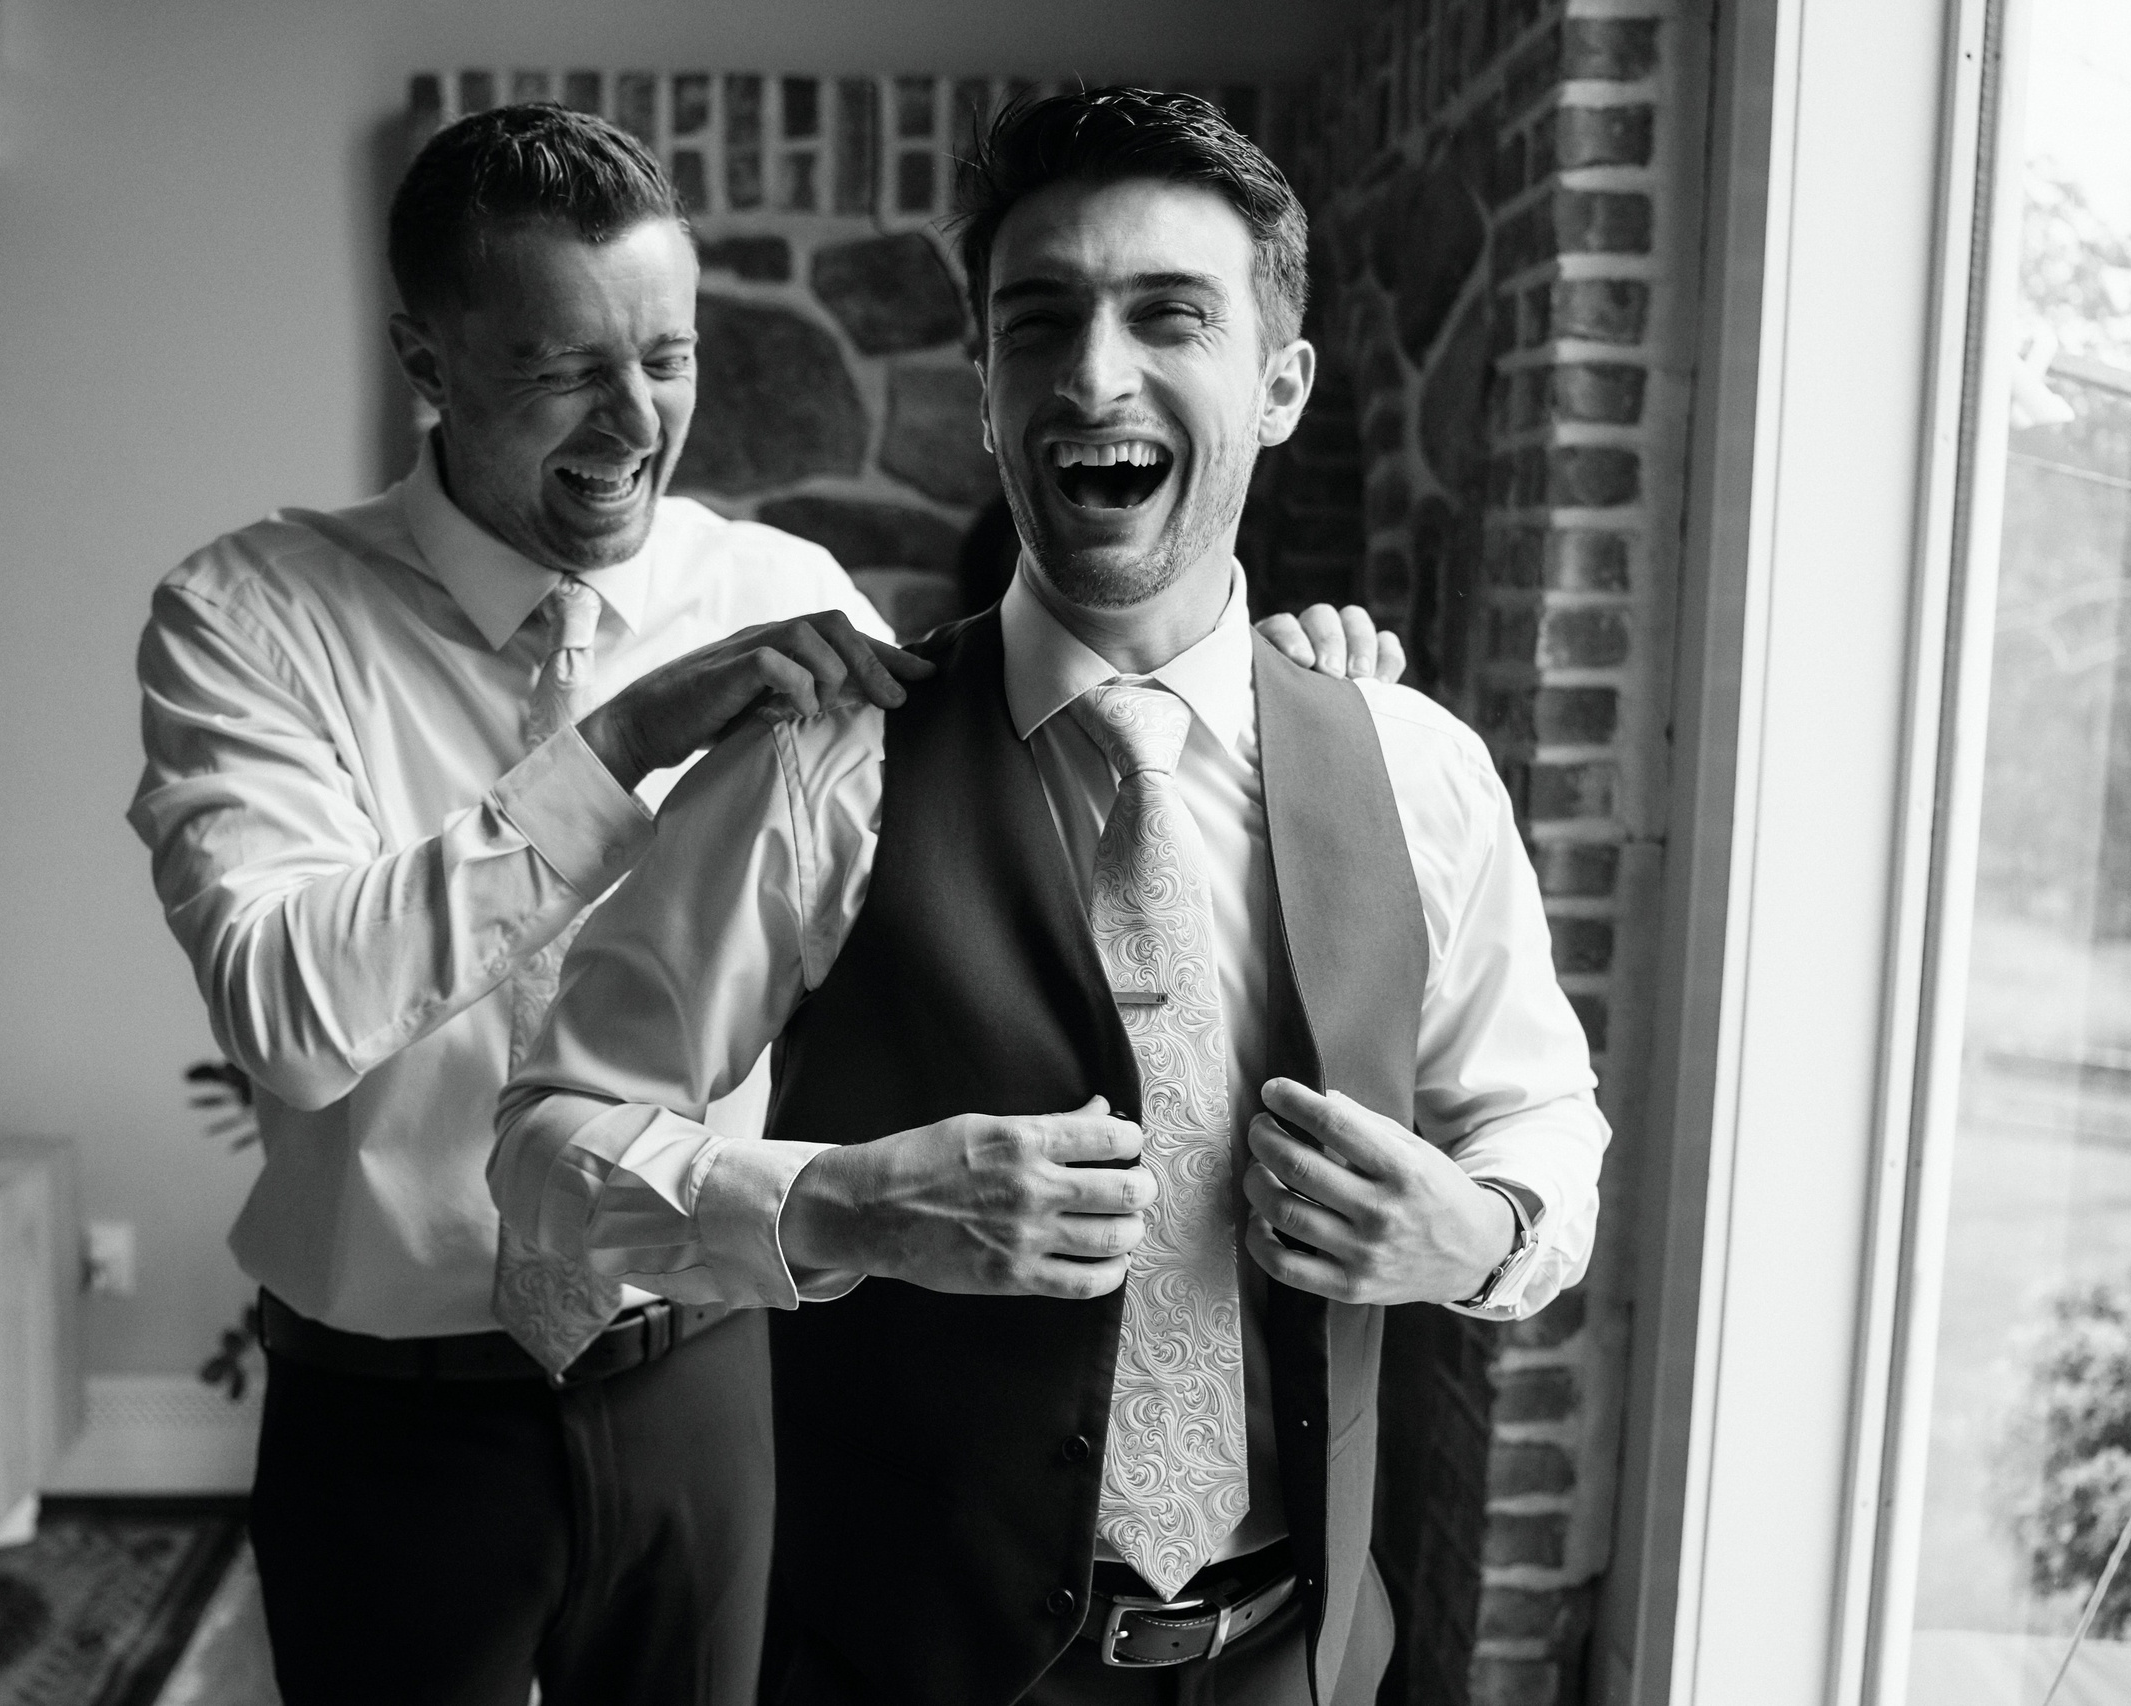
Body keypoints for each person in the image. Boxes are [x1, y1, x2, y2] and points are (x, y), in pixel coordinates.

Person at [130, 103, 1396, 1706]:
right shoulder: (248, 614)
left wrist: (1291, 693)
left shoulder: (783, 591)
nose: (633, 418)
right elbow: (292, 1016)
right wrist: (625, 744)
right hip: (399, 1412)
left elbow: (1029, 799)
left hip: (719, 1375)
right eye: (557, 367)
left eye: (667, 355)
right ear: (427, 360)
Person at [490, 87, 1606, 1706]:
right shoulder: (821, 770)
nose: (1096, 372)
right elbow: (542, 1149)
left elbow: (1544, 1119)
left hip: (1303, 1664)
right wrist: (839, 1207)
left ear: (1278, 386)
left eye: (1169, 315)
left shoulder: (1419, 769)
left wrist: (1476, 1231)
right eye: (1042, 321)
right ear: (988, 390)